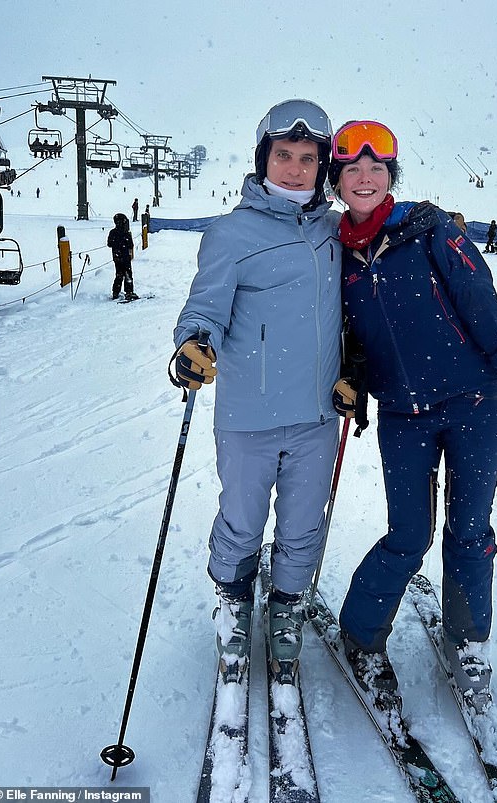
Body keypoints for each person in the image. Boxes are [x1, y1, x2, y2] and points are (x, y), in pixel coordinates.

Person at [327, 119, 497, 701]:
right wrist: (349, 378)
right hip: (403, 416)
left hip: (475, 407)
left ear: (390, 178)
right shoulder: (337, 257)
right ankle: (362, 635)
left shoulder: (432, 234)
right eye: (353, 169)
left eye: (377, 168)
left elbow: (484, 311)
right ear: (337, 181)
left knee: (470, 531)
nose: (365, 178)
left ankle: (469, 642)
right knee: (408, 536)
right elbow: (348, 336)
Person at [172, 99, 342, 686]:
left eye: (308, 159)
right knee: (242, 521)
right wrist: (195, 343)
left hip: (319, 415)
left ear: (323, 166)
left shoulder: (333, 230)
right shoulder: (230, 233)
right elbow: (205, 306)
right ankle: (234, 607)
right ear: (263, 158)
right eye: (284, 156)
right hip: (249, 415)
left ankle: (288, 609)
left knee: (302, 525)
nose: (295, 170)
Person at [107, 212, 138, 300]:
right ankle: (129, 292)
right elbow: (130, 245)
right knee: (128, 274)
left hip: (116, 257)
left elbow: (109, 244)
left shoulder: (113, 232)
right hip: (125, 257)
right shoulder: (126, 233)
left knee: (119, 274)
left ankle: (115, 292)